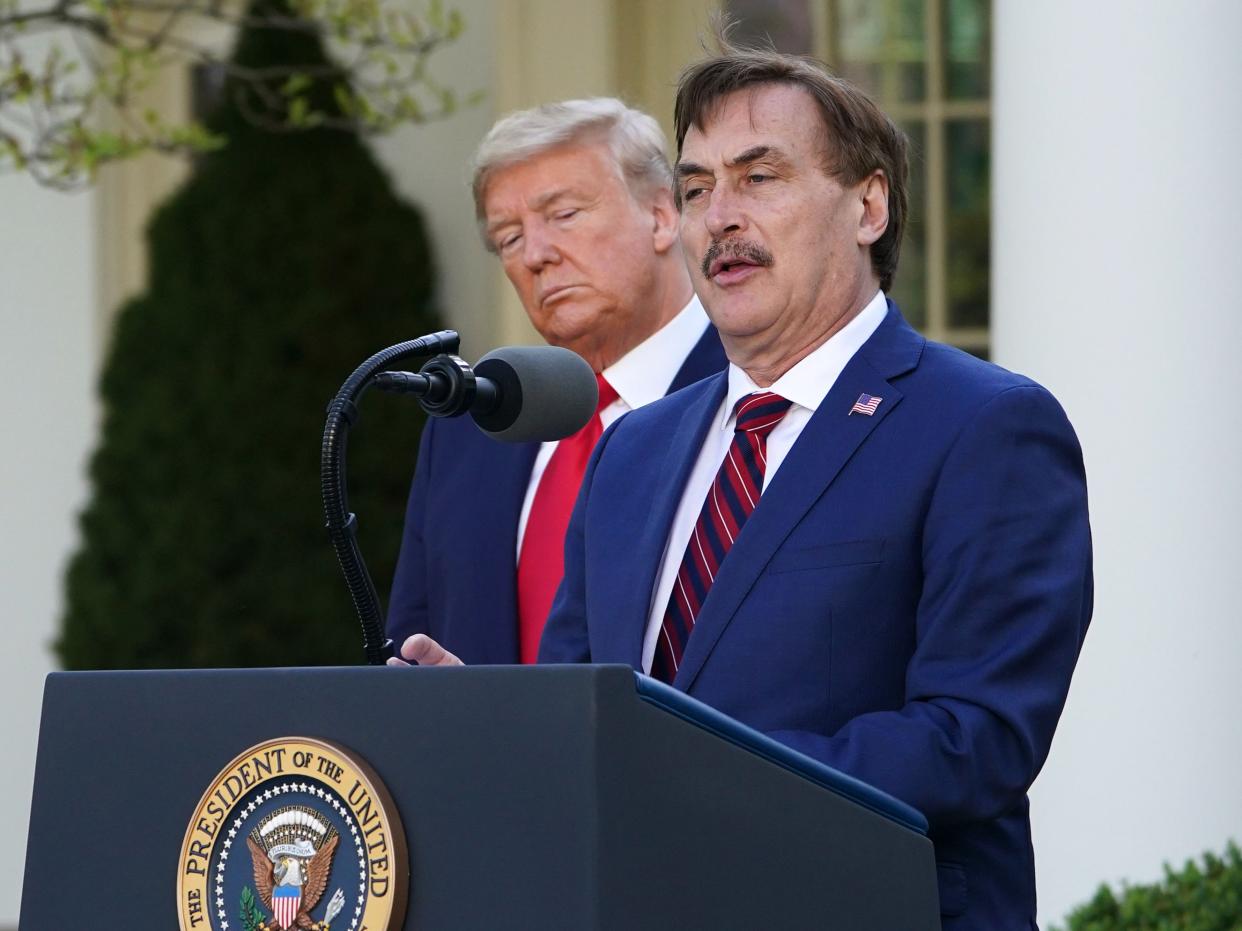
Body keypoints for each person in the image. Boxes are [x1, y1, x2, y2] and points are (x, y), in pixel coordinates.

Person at [395, 47, 1092, 931]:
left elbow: (975, 738)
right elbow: (587, 709)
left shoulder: (985, 426)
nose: (720, 216)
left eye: (759, 177)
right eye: (695, 189)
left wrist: (683, 770)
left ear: (867, 205)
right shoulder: (633, 450)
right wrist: (498, 716)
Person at [386, 98, 727, 665]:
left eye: (564, 214)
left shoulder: (757, 396)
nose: (537, 255)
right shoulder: (468, 429)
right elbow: (410, 645)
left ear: (663, 215)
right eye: (510, 238)